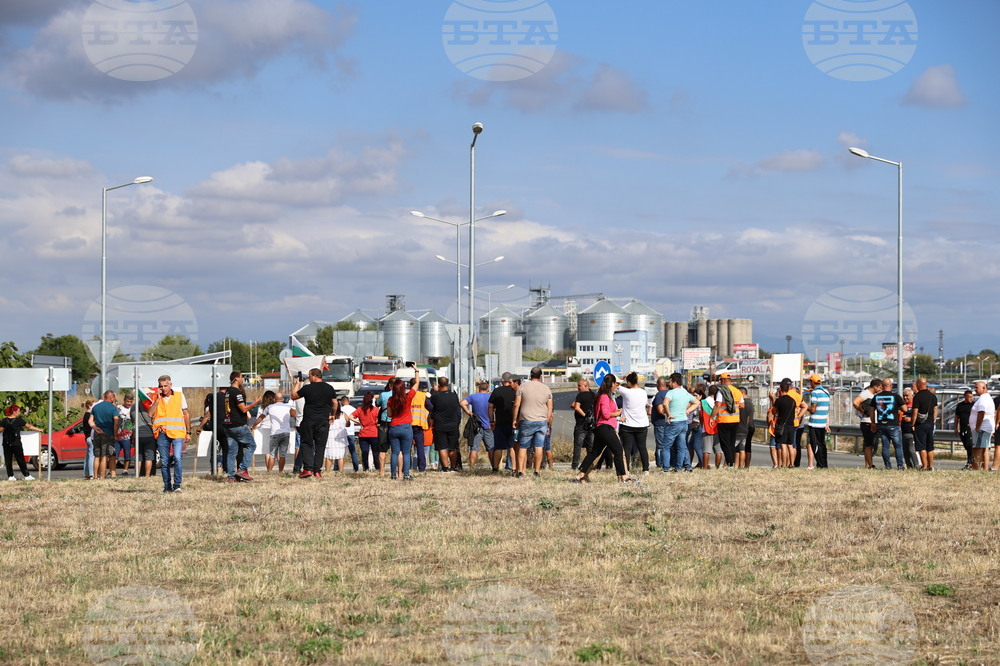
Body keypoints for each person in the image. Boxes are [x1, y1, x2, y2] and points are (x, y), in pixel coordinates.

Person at [574, 374, 636, 484]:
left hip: (602, 428)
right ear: (611, 384)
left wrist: (617, 415)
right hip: (605, 427)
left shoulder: (603, 395)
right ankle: (623, 477)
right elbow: (606, 414)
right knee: (618, 450)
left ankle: (580, 476)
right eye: (616, 385)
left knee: (594, 453)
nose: (617, 387)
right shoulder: (604, 396)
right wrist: (617, 413)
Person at [291, 368, 338, 479]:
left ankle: (307, 469)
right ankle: (317, 471)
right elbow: (335, 403)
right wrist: (332, 415)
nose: (309, 378)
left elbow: (293, 396)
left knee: (306, 444)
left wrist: (298, 384)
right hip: (323, 421)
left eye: (309, 376)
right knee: (320, 446)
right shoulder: (329, 388)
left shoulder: (307, 388)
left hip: (309, 420)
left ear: (313, 375)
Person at [148, 378, 189, 492]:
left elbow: (186, 414)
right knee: (165, 461)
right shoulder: (156, 398)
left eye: (166, 386)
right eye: (161, 386)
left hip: (177, 432)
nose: (163, 388)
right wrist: (157, 400)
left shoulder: (179, 396)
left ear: (170, 385)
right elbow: (150, 413)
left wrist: (188, 432)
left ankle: (177, 485)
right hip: (162, 433)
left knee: (177, 457)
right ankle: (167, 486)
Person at [512, 367, 553, 478]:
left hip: (526, 419)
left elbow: (516, 405)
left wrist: (515, 419)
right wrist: (548, 421)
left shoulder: (523, 386)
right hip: (541, 420)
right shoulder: (546, 388)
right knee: (539, 446)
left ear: (530, 375)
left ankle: (520, 471)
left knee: (523, 446)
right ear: (540, 376)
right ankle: (537, 471)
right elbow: (550, 407)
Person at [224, 372, 263, 483]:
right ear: (236, 379)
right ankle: (242, 470)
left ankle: (231, 477)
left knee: (232, 452)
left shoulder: (227, 392)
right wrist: (255, 402)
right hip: (238, 424)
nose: (243, 379)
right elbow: (244, 409)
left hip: (228, 425)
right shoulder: (236, 392)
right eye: (241, 377)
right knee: (252, 445)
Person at [660, 373, 699, 472]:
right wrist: (688, 411)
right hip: (683, 422)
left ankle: (666, 468)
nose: (669, 384)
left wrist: (668, 414)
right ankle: (681, 467)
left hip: (673, 422)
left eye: (670, 381)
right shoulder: (685, 393)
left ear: (674, 382)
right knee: (682, 447)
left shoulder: (671, 393)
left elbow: (665, 403)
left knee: (666, 446)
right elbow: (697, 402)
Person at [251, 391, 295, 473]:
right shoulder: (288, 407)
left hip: (274, 434)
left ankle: (269, 471)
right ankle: (280, 471)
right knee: (282, 454)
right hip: (286, 433)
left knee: (272, 454)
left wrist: (253, 425)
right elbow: (294, 415)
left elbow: (260, 418)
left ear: (274, 399)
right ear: (282, 399)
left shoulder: (269, 407)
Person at [386, 370, 419, 480]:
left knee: (395, 452)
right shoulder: (408, 397)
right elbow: (416, 384)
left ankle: (393, 474)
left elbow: (389, 414)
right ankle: (406, 474)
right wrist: (416, 371)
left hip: (394, 427)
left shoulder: (391, 400)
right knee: (406, 452)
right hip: (406, 427)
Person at [618, 372, 651, 475]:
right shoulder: (643, 392)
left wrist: (622, 377)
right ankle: (645, 469)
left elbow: (613, 383)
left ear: (628, 382)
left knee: (626, 448)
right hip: (642, 424)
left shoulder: (626, 392)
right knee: (642, 447)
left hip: (628, 424)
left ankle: (626, 468)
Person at [870, 378, 905, 470]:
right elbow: (905, 409)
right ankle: (900, 465)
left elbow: (871, 410)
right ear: (891, 385)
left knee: (885, 446)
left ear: (882, 386)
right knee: (898, 446)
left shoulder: (876, 397)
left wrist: (873, 422)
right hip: (893, 424)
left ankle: (888, 466)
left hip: (881, 424)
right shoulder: (896, 396)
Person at [711, 372, 744, 467]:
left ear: (723, 380)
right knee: (731, 442)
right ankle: (731, 463)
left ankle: (730, 463)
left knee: (724, 443)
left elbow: (717, 405)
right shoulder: (737, 391)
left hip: (724, 420)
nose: (720, 382)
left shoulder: (721, 390)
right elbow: (742, 405)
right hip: (735, 420)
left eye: (720, 380)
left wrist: (712, 417)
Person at [429, 376, 461, 473]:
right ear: (448, 385)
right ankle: (453, 466)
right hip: (453, 424)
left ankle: (445, 468)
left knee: (442, 447)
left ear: (439, 385)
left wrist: (434, 391)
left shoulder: (436, 396)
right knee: (453, 447)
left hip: (440, 425)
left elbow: (430, 404)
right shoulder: (454, 396)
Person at [1, 405, 40, 481]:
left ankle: (10, 476)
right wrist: (38, 429)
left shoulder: (4, 421)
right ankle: (26, 475)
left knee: (8, 460)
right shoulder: (18, 420)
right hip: (16, 443)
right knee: (21, 460)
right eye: (18, 411)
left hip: (6, 443)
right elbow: (29, 426)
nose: (19, 413)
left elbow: (1, 429)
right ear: (14, 412)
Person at [461, 381, 493, 470]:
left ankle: (472, 468)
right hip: (489, 426)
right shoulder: (491, 397)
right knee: (491, 448)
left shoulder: (473, 397)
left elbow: (462, 403)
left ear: (479, 388)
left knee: (474, 448)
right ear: (488, 389)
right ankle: (494, 467)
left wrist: (469, 413)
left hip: (476, 426)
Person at [489, 372, 517, 473]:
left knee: (498, 447)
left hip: (500, 422)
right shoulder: (515, 391)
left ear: (502, 381)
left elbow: (490, 407)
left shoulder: (496, 391)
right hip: (512, 423)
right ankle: (514, 468)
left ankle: (495, 468)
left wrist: (492, 420)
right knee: (512, 447)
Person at [91, 390, 120, 480]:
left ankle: (95, 476)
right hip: (108, 433)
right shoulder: (113, 408)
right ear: (111, 397)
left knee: (97, 456)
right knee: (104, 456)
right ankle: (102, 476)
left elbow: (90, 420)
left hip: (97, 433)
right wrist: (115, 434)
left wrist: (95, 428)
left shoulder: (96, 407)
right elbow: (116, 422)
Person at [854, 378, 882, 469]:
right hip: (867, 422)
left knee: (870, 444)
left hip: (871, 422)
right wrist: (862, 411)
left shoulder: (872, 395)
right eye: (879, 387)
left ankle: (868, 464)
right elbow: (855, 402)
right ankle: (870, 465)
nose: (881, 389)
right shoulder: (865, 394)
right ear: (875, 386)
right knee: (869, 444)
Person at [911, 378, 938, 471]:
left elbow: (915, 412)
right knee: (930, 446)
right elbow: (935, 410)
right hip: (930, 423)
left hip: (920, 424)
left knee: (921, 446)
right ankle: (931, 466)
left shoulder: (917, 396)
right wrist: (933, 420)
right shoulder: (932, 396)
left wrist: (912, 424)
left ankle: (924, 466)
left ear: (918, 385)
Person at [771, 379, 798, 468]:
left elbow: (774, 412)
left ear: (781, 389)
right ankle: (792, 464)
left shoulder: (779, 400)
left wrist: (773, 401)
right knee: (790, 445)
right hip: (791, 425)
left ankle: (784, 464)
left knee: (783, 445)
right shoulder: (792, 400)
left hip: (782, 424)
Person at [569, 378, 595, 471]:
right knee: (590, 446)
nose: (578, 388)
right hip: (591, 424)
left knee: (578, 445)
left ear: (586, 386)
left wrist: (585, 415)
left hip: (581, 424)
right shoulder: (594, 395)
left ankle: (575, 465)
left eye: (580, 386)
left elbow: (576, 407)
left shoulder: (581, 395)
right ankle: (590, 464)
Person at [806, 374, 831, 469]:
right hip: (823, 421)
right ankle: (824, 464)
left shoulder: (815, 393)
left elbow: (813, 409)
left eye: (810, 381)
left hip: (815, 422)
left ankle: (820, 464)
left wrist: (804, 406)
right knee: (822, 444)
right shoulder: (826, 391)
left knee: (815, 445)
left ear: (812, 382)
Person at [970, 380, 995, 470]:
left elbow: (981, 412)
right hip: (985, 428)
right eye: (975, 387)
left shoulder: (983, 398)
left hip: (982, 428)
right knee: (984, 449)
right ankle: (984, 468)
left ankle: (975, 469)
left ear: (984, 388)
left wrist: (977, 426)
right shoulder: (985, 397)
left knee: (977, 449)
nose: (975, 389)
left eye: (977, 388)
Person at [130, 395, 157, 478]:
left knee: (138, 457)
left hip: (138, 434)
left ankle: (137, 475)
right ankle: (147, 475)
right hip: (149, 433)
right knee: (149, 456)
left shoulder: (133, 407)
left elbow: (132, 420)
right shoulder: (150, 406)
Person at [355, 392, 379, 472]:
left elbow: (350, 416)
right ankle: (377, 467)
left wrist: (358, 422)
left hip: (363, 433)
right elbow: (377, 420)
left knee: (365, 452)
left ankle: (366, 468)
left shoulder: (360, 409)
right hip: (374, 433)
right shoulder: (375, 410)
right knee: (375, 452)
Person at [408, 384, 430, 473]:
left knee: (407, 449)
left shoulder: (407, 395)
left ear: (410, 385)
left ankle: (407, 467)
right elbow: (431, 407)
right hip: (419, 424)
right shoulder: (423, 396)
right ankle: (422, 468)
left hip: (408, 424)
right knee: (420, 448)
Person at [650, 377, 670, 471]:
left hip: (660, 423)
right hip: (670, 423)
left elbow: (660, 410)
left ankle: (660, 463)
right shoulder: (670, 393)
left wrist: (667, 413)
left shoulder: (659, 395)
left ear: (658, 385)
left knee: (660, 446)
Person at [324, 401, 349, 473]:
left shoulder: (328, 415)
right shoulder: (343, 414)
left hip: (330, 437)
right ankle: (341, 471)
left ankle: (327, 471)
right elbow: (348, 424)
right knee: (340, 457)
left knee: (329, 456)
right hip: (340, 438)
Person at [700, 385, 721, 469]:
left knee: (706, 450)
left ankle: (704, 468)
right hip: (718, 427)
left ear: (708, 391)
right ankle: (717, 467)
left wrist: (702, 425)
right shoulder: (720, 402)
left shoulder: (704, 402)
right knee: (718, 451)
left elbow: (701, 415)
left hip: (707, 427)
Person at [954, 390, 975, 469]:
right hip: (963, 427)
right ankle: (970, 460)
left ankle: (970, 462)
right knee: (966, 445)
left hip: (970, 427)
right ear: (965, 397)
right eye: (969, 397)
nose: (970, 399)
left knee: (970, 445)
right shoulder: (960, 405)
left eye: (971, 397)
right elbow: (957, 417)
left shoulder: (974, 405)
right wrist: (955, 428)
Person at [686, 385, 706, 469]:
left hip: (699, 426)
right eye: (693, 395)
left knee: (697, 447)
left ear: (701, 396)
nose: (694, 397)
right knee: (690, 446)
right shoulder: (694, 404)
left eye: (696, 395)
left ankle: (703, 464)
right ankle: (689, 464)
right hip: (694, 427)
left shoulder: (700, 405)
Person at [115, 394, 134, 477]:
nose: (129, 403)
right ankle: (112, 469)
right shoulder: (119, 408)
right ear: (124, 400)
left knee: (127, 454)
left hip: (128, 436)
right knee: (115, 454)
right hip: (118, 436)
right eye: (127, 401)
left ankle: (125, 470)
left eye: (130, 402)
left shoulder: (133, 409)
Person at [340, 396, 360, 473]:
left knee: (340, 451)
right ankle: (356, 467)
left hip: (342, 433)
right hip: (351, 432)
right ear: (349, 402)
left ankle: (337, 467)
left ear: (341, 402)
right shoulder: (353, 409)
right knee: (353, 451)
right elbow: (356, 421)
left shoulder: (340, 410)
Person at [900, 387, 918, 470]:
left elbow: (920, 417)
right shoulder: (902, 406)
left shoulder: (915, 405)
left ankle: (917, 465)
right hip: (902, 431)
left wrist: (911, 419)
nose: (905, 397)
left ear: (912, 396)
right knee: (905, 451)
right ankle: (909, 466)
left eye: (907, 396)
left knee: (911, 450)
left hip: (912, 432)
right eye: (904, 396)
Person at [81, 400, 95, 480]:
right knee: (91, 455)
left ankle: (87, 473)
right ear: (90, 406)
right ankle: (91, 473)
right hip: (90, 437)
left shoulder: (86, 414)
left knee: (88, 455)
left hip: (87, 437)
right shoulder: (89, 415)